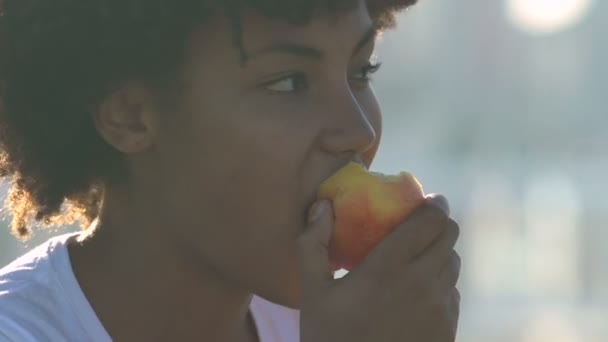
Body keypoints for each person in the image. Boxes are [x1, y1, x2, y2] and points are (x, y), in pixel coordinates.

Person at [0, 0, 461, 341]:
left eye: (361, 72)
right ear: (130, 114)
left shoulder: (345, 319)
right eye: (288, 82)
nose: (358, 132)